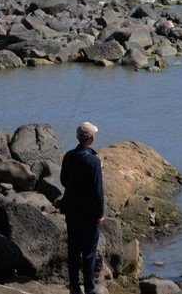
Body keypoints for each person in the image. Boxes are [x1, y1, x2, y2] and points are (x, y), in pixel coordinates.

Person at [60, 121, 105, 294]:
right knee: (88, 253)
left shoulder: (69, 156)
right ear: (92, 138)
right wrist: (100, 213)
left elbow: (63, 180)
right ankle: (89, 288)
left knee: (73, 250)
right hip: (88, 213)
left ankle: (74, 287)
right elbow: (98, 190)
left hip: (71, 210)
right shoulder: (93, 160)